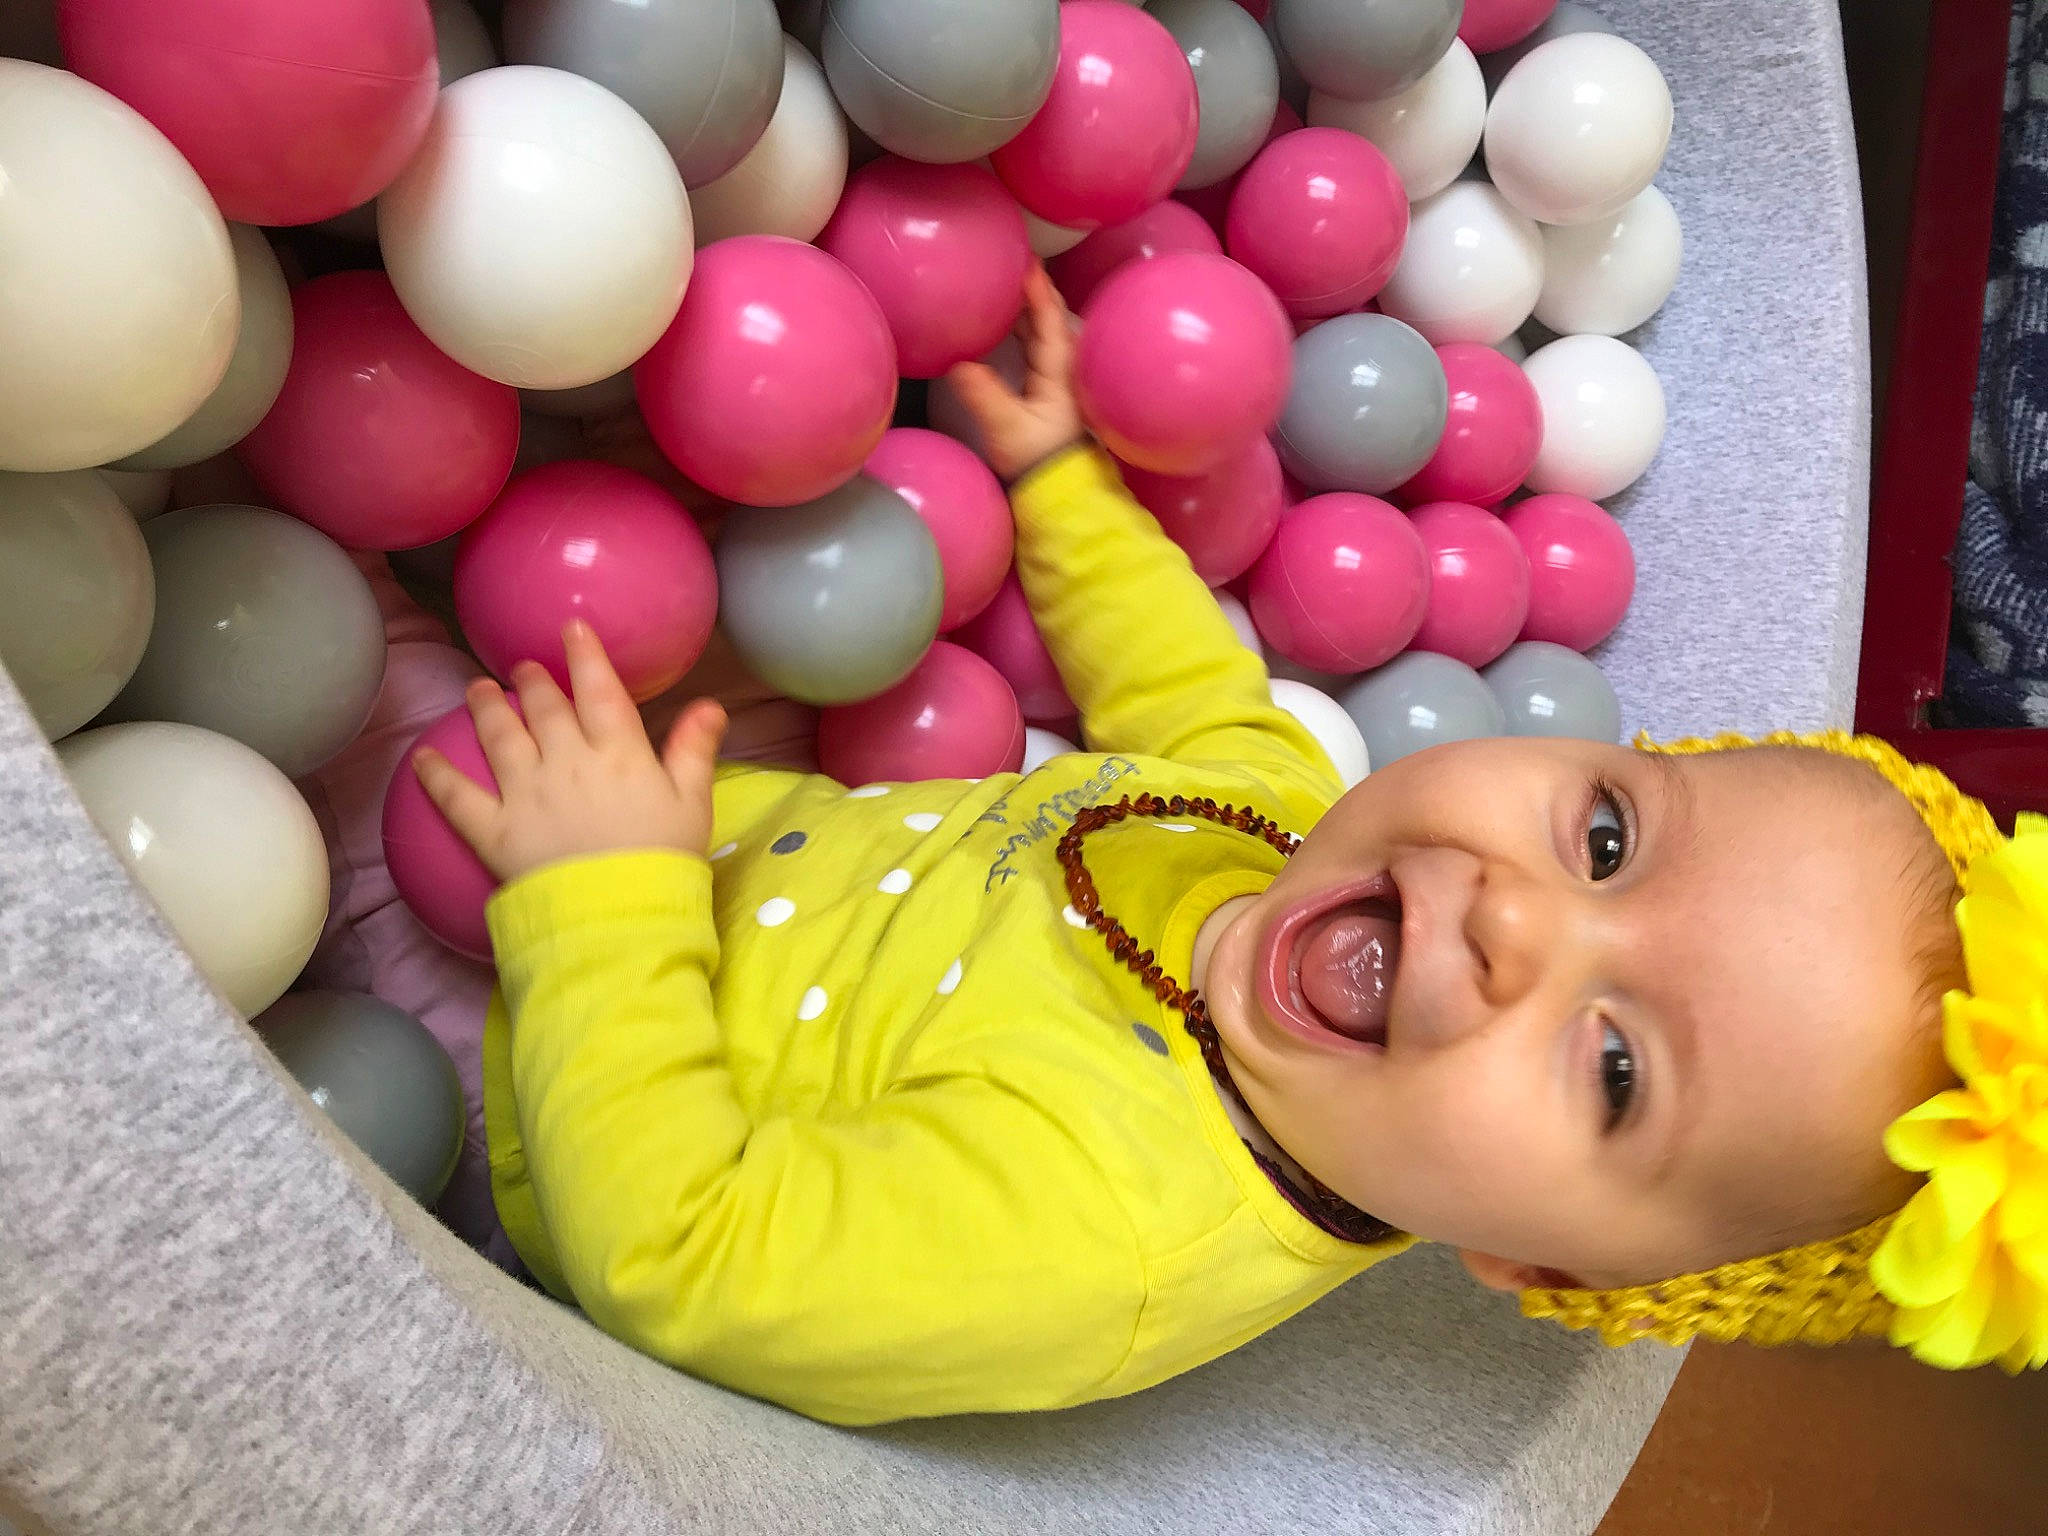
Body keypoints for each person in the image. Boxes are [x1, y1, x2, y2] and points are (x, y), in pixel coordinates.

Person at [308, 269, 2047, 1428]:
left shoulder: (1100, 1235)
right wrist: (1063, 487)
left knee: (342, 706)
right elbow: (1197, 696)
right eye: (1606, 835)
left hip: (545, 1066)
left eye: (1612, 1068)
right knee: (654, 499)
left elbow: (684, 1259)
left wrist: (598, 902)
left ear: (1538, 1272)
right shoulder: (1288, 838)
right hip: (751, 835)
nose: (1522, 921)